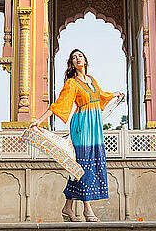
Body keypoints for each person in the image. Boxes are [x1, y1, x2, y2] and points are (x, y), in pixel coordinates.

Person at [30, 48, 123, 222]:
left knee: (84, 167)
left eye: (80, 56)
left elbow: (101, 96)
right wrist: (40, 120)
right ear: (72, 64)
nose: (77, 59)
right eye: (74, 57)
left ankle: (67, 207)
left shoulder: (92, 81)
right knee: (84, 166)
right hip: (82, 126)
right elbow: (59, 104)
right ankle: (87, 210)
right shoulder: (72, 83)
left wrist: (115, 94)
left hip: (95, 127)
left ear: (85, 60)